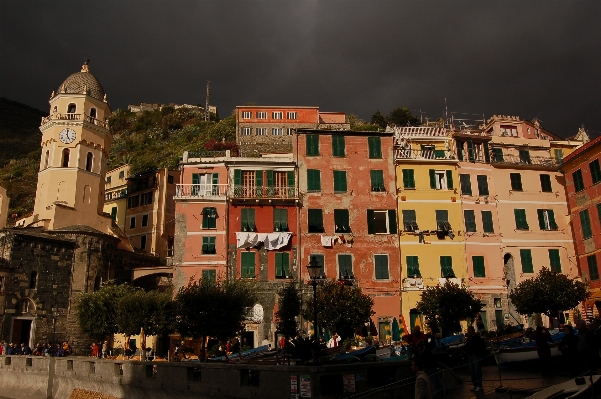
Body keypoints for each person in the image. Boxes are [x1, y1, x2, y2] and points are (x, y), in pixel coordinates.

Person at [465, 326, 485, 392]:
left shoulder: (477, 338)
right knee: (472, 371)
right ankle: (475, 384)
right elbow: (467, 346)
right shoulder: (469, 338)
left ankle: (479, 385)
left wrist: (476, 352)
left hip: (475, 355)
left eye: (469, 330)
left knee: (477, 370)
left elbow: (481, 346)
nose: (468, 331)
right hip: (470, 355)